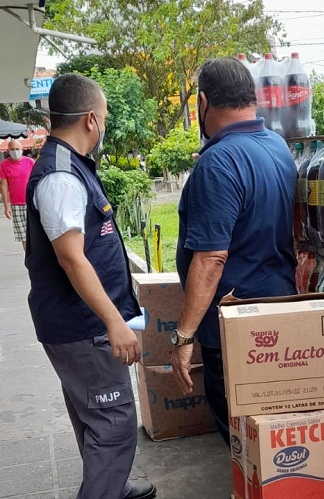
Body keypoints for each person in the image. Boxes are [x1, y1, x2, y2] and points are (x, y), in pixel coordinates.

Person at [24, 73, 156, 499]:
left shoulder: (71, 166)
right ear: (89, 120)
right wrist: (114, 322)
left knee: (93, 417)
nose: (104, 125)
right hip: (84, 328)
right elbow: (71, 257)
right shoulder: (61, 176)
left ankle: (110, 486)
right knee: (114, 425)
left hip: (73, 323)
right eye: (104, 117)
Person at [172, 57, 297, 445]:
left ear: (203, 103)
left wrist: (183, 336)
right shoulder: (277, 147)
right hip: (279, 312)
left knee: (245, 441)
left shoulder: (218, 162)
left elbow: (210, 259)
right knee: (273, 434)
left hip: (234, 328)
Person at [0, 139, 35, 250]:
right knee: (23, 235)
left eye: (17, 149)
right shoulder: (4, 165)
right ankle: (29, 259)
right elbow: (4, 186)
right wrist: (6, 206)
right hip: (16, 205)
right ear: (8, 150)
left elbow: (38, 180)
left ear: (21, 149)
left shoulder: (30, 162)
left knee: (36, 232)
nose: (15, 151)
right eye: (12, 149)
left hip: (32, 202)